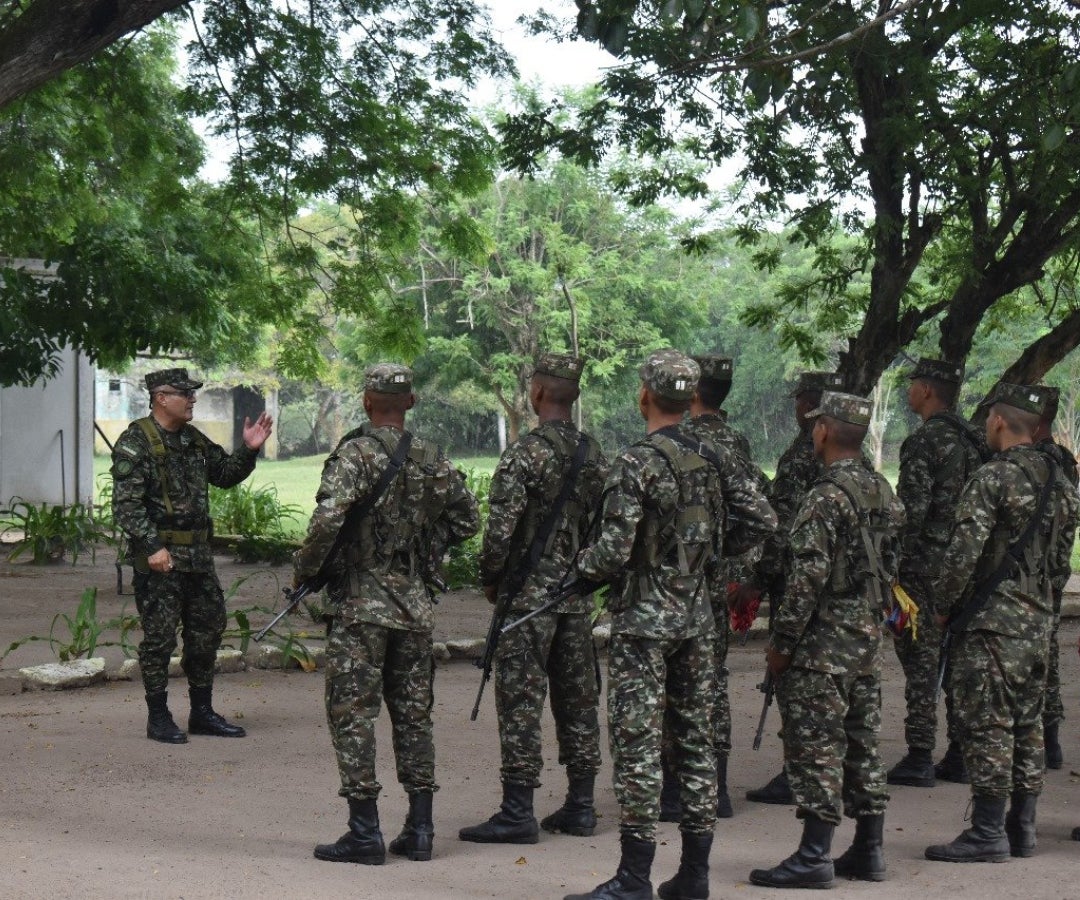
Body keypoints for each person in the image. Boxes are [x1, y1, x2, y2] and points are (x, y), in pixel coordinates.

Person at [565, 349, 776, 900]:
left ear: (644, 396)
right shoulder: (715, 455)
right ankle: (694, 875)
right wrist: (709, 557)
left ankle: (635, 877)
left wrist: (580, 575)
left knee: (637, 742)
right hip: (698, 620)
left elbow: (612, 551)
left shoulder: (636, 461)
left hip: (645, 621)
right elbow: (762, 517)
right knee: (696, 740)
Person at [293, 363, 479, 866]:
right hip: (414, 607)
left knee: (354, 716)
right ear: (410, 403)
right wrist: (423, 549)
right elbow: (468, 519)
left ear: (367, 402)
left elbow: (328, 518)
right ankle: (420, 830)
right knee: (413, 717)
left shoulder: (354, 454)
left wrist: (307, 571)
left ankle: (364, 832)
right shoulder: (433, 458)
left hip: (360, 607)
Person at [749, 391, 904, 889]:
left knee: (816, 745)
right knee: (862, 743)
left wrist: (783, 642)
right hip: (865, 638)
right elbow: (892, 568)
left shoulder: (825, 495)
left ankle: (815, 855)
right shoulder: (882, 489)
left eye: (816, 425)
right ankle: (869, 849)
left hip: (822, 645)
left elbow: (806, 576)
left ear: (825, 431)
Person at [925, 383, 1079, 863]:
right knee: (1027, 724)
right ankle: (1023, 828)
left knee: (988, 724)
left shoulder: (994, 478)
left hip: (990, 625)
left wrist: (942, 605)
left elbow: (963, 553)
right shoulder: (1060, 481)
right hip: (1036, 623)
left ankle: (988, 832)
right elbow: (1060, 562)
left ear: (997, 421)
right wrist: (1044, 606)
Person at [459, 352, 608, 845]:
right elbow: (607, 527)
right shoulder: (594, 454)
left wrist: (492, 579)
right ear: (575, 395)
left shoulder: (525, 454)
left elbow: (499, 533)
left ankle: (517, 812)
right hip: (575, 598)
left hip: (527, 603)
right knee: (579, 702)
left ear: (537, 393)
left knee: (522, 704)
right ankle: (581, 806)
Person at [111, 368, 273, 744]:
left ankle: (201, 712)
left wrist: (249, 449)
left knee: (207, 631)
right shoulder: (136, 442)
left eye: (192, 393)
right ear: (161, 397)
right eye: (185, 394)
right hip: (161, 559)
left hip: (198, 557)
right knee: (160, 638)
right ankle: (158, 716)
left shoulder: (193, 440)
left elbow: (225, 474)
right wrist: (151, 547)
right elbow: (126, 506)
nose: (192, 399)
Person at [658, 354, 771, 822]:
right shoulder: (737, 441)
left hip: (677, 581)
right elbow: (759, 508)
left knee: (670, 681)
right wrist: (730, 555)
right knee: (712, 679)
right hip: (718, 580)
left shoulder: (685, 442)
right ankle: (718, 788)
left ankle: (671, 792)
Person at [739, 371, 844, 806]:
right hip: (846, 591)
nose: (796, 408)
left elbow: (780, 529)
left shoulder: (801, 456)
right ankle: (836, 766)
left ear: (811, 406)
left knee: (797, 680)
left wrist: (758, 581)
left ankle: (796, 771)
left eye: (800, 400)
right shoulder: (860, 465)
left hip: (800, 582)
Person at [887, 358, 986, 788]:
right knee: (958, 659)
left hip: (923, 569)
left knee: (921, 658)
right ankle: (960, 754)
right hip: (967, 566)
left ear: (926, 390)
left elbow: (911, 514)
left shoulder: (926, 441)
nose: (909, 391)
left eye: (913, 384)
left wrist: (890, 567)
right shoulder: (975, 439)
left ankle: (919, 754)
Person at [1032, 387, 1078, 771]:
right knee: (1048, 654)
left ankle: (1039, 742)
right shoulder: (1064, 460)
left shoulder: (1035, 462)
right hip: (1053, 572)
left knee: (1031, 657)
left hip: (1033, 576)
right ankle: (1051, 739)